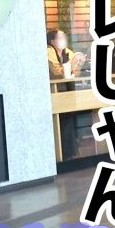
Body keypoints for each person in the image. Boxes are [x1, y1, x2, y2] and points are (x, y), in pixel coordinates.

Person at [46, 28, 86, 160]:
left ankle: (71, 150)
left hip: (68, 90)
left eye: (64, 37)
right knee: (64, 121)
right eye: (60, 38)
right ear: (52, 41)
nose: (63, 40)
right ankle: (65, 153)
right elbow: (57, 72)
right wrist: (73, 66)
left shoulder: (67, 51)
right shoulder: (48, 51)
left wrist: (77, 65)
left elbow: (75, 71)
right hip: (54, 91)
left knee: (71, 118)